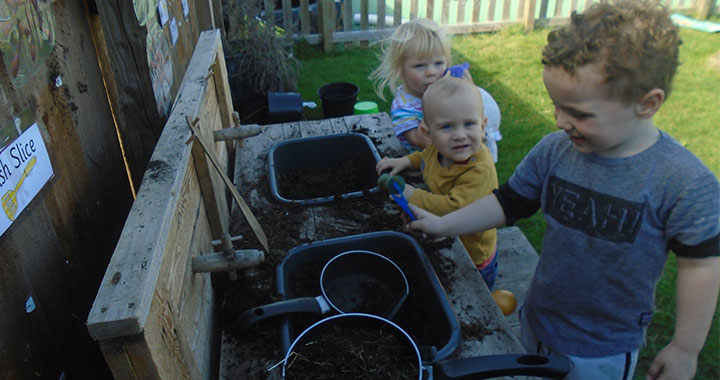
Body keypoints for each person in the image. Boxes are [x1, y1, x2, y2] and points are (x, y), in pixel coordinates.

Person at [404, 1, 720, 379]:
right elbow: (507, 203)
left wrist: (685, 346)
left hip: (602, 349)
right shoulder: (555, 150)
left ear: (647, 104)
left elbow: (701, 264)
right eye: (556, 106)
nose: (560, 121)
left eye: (580, 113)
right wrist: (444, 224)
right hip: (538, 320)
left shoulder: (683, 181)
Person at [376, 76, 500, 289]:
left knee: (470, 296)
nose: (459, 135)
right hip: (446, 238)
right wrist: (405, 161)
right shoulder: (438, 149)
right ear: (428, 134)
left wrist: (412, 195)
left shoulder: (479, 169)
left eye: (469, 124)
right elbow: (426, 156)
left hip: (472, 255)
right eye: (447, 127)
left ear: (483, 126)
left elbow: (454, 207)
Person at [369, 18, 502, 161]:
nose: (431, 72)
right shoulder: (403, 106)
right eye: (420, 66)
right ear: (401, 70)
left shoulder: (446, 92)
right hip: (423, 167)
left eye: (438, 63)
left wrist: (468, 90)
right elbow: (422, 141)